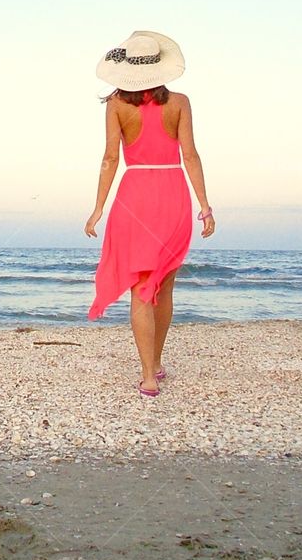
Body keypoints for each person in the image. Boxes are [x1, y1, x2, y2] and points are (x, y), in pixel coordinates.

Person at [84, 30, 215, 397]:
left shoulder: (116, 105)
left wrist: (98, 209)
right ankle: (155, 363)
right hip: (172, 194)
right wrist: (204, 205)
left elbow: (110, 158)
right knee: (164, 286)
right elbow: (190, 154)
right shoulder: (180, 103)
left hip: (134, 195)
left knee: (142, 289)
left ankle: (147, 375)